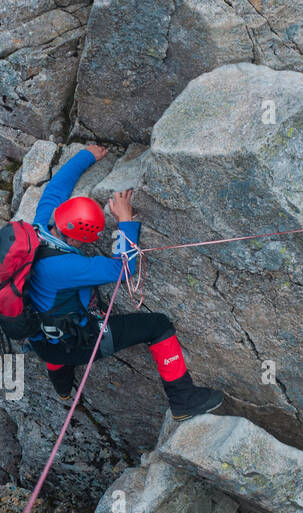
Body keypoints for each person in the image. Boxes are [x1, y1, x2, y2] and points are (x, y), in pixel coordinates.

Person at [26, 144, 224, 420]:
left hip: (40, 337)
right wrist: (125, 221)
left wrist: (86, 156)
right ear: (74, 238)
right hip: (77, 344)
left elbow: (55, 188)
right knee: (158, 326)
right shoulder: (66, 266)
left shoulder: (39, 227)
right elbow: (125, 267)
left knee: (55, 328)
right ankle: (184, 399)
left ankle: (62, 389)